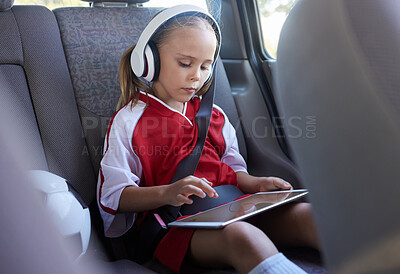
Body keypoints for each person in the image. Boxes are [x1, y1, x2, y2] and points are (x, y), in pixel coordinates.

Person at [97, 5, 319, 274]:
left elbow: (232, 168)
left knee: (312, 217)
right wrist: (168, 192)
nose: (196, 76)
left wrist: (255, 183)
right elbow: (114, 196)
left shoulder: (214, 115)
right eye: (185, 63)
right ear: (149, 61)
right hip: (178, 225)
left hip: (234, 208)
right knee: (243, 238)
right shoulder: (130, 120)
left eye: (205, 66)